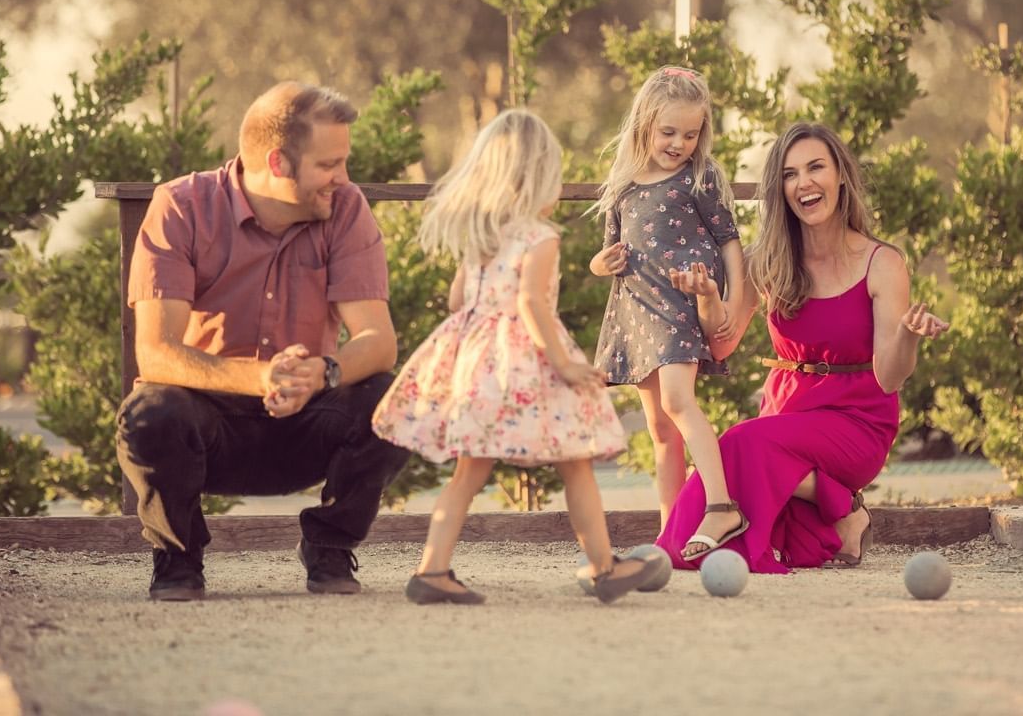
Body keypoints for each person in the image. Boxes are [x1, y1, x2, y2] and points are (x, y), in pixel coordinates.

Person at [117, 81, 410, 602]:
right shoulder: (180, 207)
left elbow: (378, 341)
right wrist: (259, 376)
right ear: (278, 162)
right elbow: (155, 352)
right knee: (150, 412)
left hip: (305, 419)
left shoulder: (345, 208)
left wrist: (320, 372)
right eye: (328, 165)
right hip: (206, 430)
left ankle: (330, 549)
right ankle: (178, 560)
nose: (342, 178)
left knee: (397, 400)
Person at [373, 109, 665, 604]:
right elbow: (531, 303)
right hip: (529, 359)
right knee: (575, 460)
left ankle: (432, 570)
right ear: (536, 178)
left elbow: (456, 301)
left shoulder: (482, 236)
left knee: (469, 471)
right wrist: (563, 363)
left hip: (480, 361)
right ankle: (602, 567)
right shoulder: (540, 236)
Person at [656, 122, 949, 573]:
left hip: (856, 421)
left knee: (740, 444)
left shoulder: (882, 263)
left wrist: (907, 334)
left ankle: (673, 543)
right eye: (790, 174)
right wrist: (708, 298)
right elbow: (722, 343)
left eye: (816, 167)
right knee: (792, 529)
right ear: (780, 189)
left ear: (841, 177)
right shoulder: (766, 259)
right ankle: (845, 514)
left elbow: (890, 377)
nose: (804, 182)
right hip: (787, 414)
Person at [589, 65, 750, 561]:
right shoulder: (622, 185)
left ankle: (721, 505)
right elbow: (607, 252)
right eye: (669, 132)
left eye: (691, 133)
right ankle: (670, 534)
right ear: (644, 124)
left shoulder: (699, 177)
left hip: (683, 304)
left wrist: (736, 294)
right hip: (636, 310)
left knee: (680, 403)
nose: (680, 142)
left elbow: (729, 241)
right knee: (659, 430)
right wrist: (600, 264)